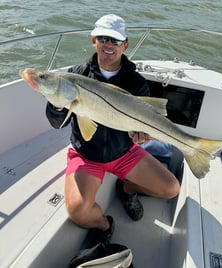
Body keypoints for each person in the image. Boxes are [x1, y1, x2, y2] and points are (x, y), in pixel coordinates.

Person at [46, 14, 180, 244]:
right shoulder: (75, 75)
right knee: (78, 211)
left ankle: (127, 188)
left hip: (124, 152)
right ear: (93, 40)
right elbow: (58, 123)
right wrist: (57, 104)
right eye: (103, 38)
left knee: (171, 189)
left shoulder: (137, 83)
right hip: (87, 154)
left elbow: (143, 128)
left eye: (116, 41)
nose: (109, 45)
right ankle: (105, 225)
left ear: (125, 45)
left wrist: (142, 136)